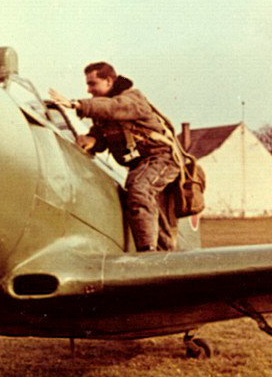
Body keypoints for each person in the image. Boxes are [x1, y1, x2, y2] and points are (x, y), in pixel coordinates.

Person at [49, 62, 182, 252]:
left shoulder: (133, 99)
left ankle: (148, 254)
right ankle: (165, 254)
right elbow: (102, 136)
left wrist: (77, 105)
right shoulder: (102, 112)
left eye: (92, 83)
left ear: (109, 81)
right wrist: (92, 140)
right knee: (143, 201)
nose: (89, 89)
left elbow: (115, 107)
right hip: (140, 165)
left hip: (162, 158)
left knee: (139, 190)